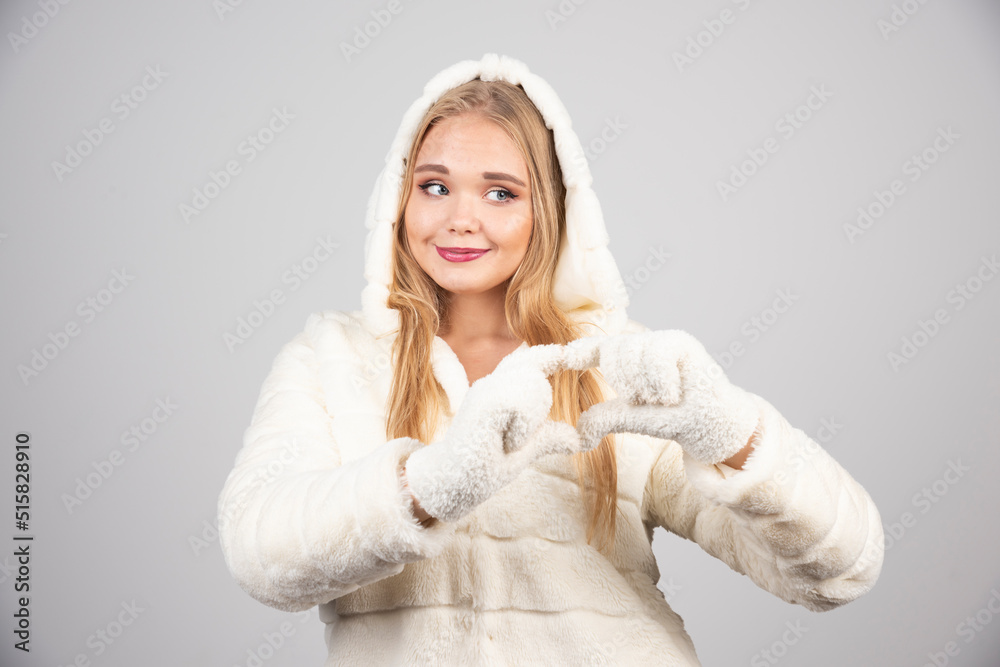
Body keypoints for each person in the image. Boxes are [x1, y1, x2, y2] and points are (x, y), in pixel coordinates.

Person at [217, 53, 885, 666]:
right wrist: (432, 484)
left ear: (551, 210)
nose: (460, 218)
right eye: (434, 186)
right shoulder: (329, 359)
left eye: (501, 192)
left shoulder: (618, 364)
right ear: (399, 198)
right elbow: (262, 556)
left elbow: (839, 574)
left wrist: (732, 432)